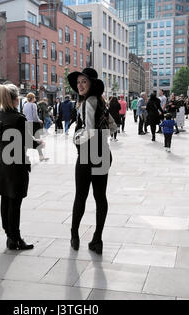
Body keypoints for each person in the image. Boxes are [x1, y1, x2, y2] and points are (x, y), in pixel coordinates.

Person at [0, 83, 45, 250]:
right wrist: (40, 143)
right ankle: (16, 238)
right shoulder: (18, 118)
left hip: (1, 162)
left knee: (5, 199)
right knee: (15, 202)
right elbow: (29, 141)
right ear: (16, 100)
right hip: (16, 163)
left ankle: (9, 236)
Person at [67, 67, 112, 255]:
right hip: (102, 153)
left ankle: (74, 235)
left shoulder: (88, 103)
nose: (80, 85)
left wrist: (75, 137)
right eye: (78, 82)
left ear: (92, 84)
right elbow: (113, 125)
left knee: (81, 196)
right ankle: (97, 239)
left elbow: (88, 133)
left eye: (84, 82)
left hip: (88, 155)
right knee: (100, 197)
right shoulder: (101, 102)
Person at [22, 93, 48, 161]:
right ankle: (41, 156)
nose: (35, 99)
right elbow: (35, 116)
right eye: (34, 97)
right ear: (32, 98)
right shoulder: (33, 105)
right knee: (37, 139)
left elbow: (24, 115)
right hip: (33, 124)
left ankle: (23, 156)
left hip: (26, 124)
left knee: (27, 140)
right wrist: (40, 120)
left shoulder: (24, 105)